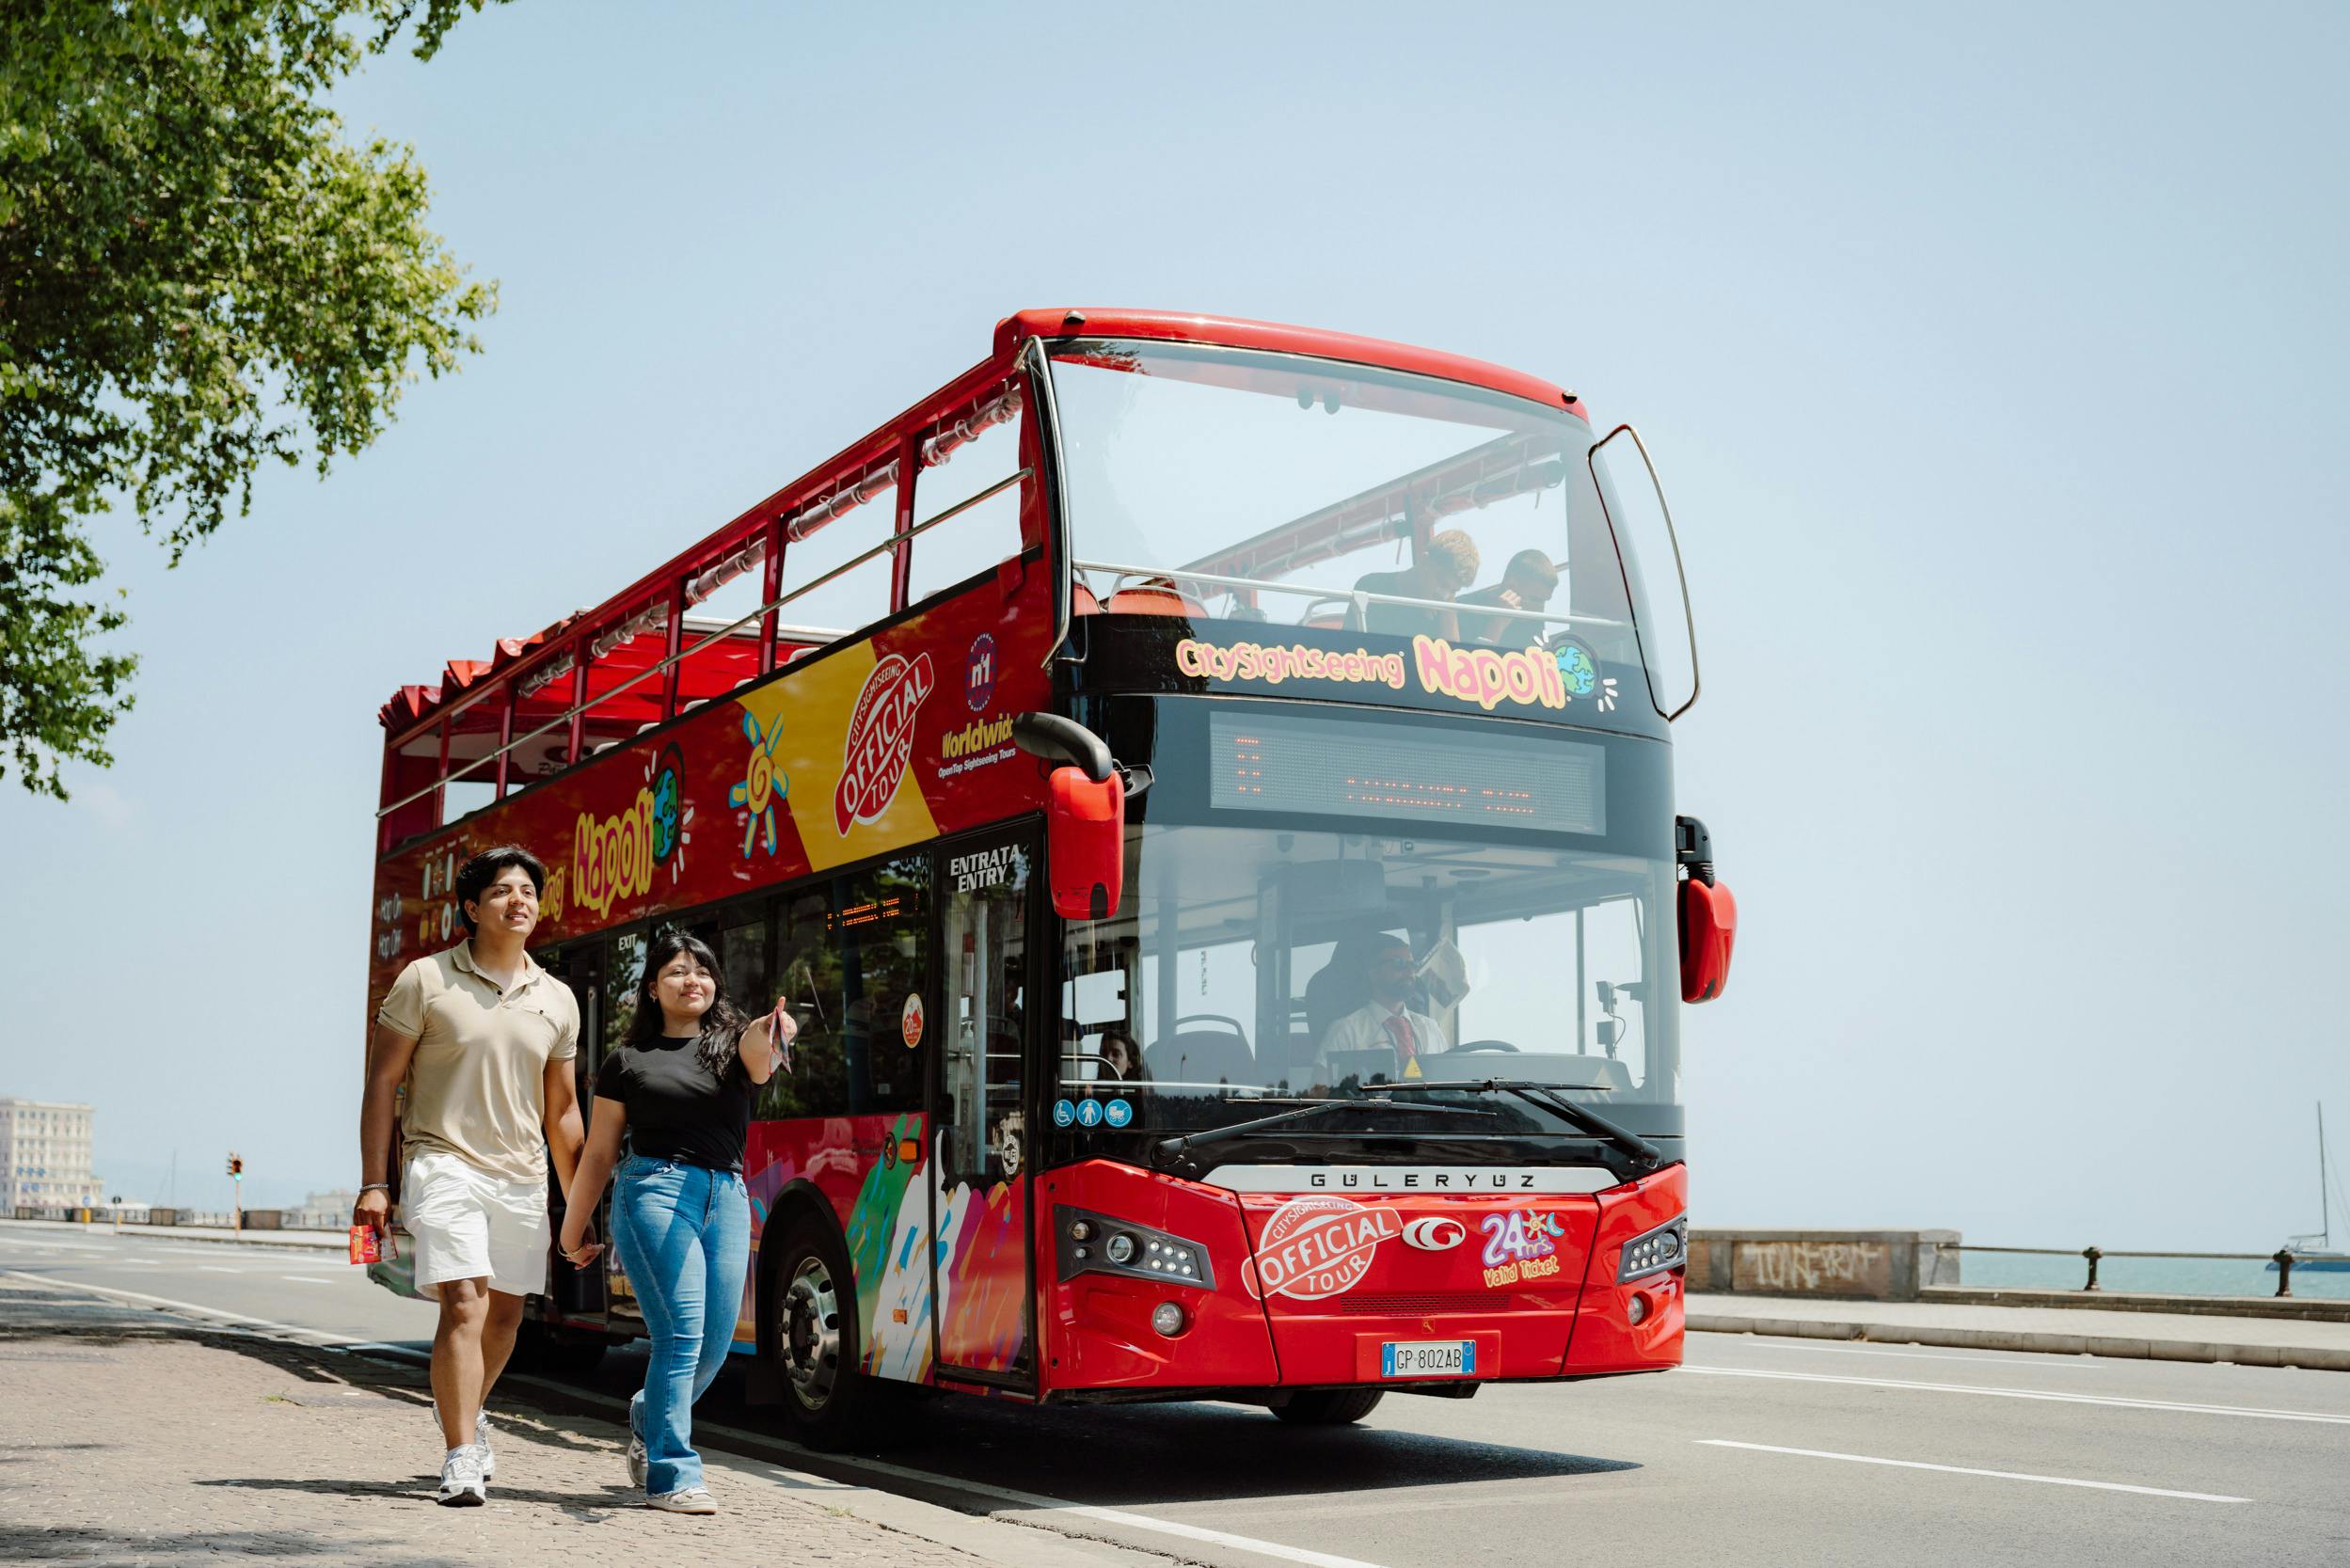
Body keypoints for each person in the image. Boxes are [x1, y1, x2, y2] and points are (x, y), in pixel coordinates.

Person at [355, 845, 586, 1508]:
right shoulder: (425, 980)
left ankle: (467, 1410)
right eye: (502, 890)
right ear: (470, 907)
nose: (519, 900)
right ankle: (460, 1455)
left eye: (528, 891)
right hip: (440, 1159)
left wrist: (579, 1205)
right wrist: (377, 1180)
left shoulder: (557, 998)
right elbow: (383, 1082)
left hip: (520, 1174)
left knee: (506, 1315)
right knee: (466, 1300)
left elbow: (563, 1110)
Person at [558, 928, 795, 1514]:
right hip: (654, 1192)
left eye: (703, 971)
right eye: (676, 972)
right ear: (651, 988)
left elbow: (762, 1062)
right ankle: (673, 1475)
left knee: (714, 1347)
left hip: (728, 1195)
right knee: (680, 1335)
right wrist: (572, 1227)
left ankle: (646, 1413)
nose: (692, 980)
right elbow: (598, 1152)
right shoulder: (627, 1060)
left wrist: (775, 1032)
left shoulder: (734, 1044)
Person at [1310, 937, 1452, 1086]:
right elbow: (1319, 1093)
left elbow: (1450, 1085)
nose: (1410, 971)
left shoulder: (1431, 1028)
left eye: (1413, 964)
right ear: (1373, 973)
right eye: (1400, 963)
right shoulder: (1345, 1030)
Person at [1351, 529, 1481, 639]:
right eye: (1442, 583)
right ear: (1424, 561)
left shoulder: (1444, 609)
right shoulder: (1372, 587)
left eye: (1453, 591)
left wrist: (1448, 609)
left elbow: (1452, 663)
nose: (1444, 594)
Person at [1455, 549, 1562, 645]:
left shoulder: (1533, 621)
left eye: (1544, 601)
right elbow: (1472, 663)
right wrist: (1498, 622)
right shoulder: (1463, 610)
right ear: (1511, 585)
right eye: (1535, 599)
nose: (1540, 609)